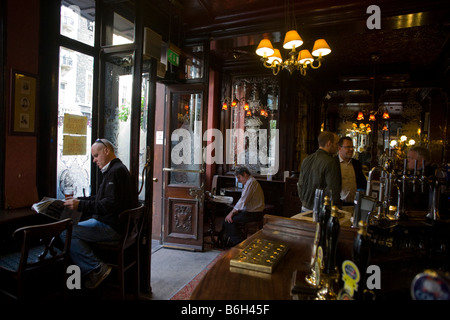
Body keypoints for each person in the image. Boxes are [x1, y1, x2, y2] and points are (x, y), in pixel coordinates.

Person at [63, 138, 138, 289]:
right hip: (120, 227)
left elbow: (109, 204)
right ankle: (87, 274)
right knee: (70, 230)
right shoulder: (118, 169)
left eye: (96, 156)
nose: (94, 160)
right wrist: (80, 200)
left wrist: (80, 205)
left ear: (106, 151)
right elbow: (102, 199)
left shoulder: (115, 172)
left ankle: (96, 268)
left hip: (112, 228)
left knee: (66, 232)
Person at [221, 166, 265, 246]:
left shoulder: (251, 183)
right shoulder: (250, 182)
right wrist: (232, 212)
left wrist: (232, 213)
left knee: (228, 221)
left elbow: (243, 201)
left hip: (254, 214)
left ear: (244, 174)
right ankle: (227, 239)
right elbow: (242, 201)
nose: (238, 180)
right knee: (228, 211)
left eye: (239, 177)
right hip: (251, 211)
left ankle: (239, 243)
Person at [297, 131, 341, 211]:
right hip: (320, 209)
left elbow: (300, 184)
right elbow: (333, 190)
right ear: (329, 143)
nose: (337, 147)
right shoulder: (331, 162)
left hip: (304, 207)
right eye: (336, 143)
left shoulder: (306, 159)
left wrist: (304, 200)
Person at [336, 137, 366, 206]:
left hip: (354, 204)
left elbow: (362, 183)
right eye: (348, 147)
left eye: (352, 147)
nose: (351, 149)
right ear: (339, 148)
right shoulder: (334, 163)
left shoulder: (356, 163)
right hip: (339, 204)